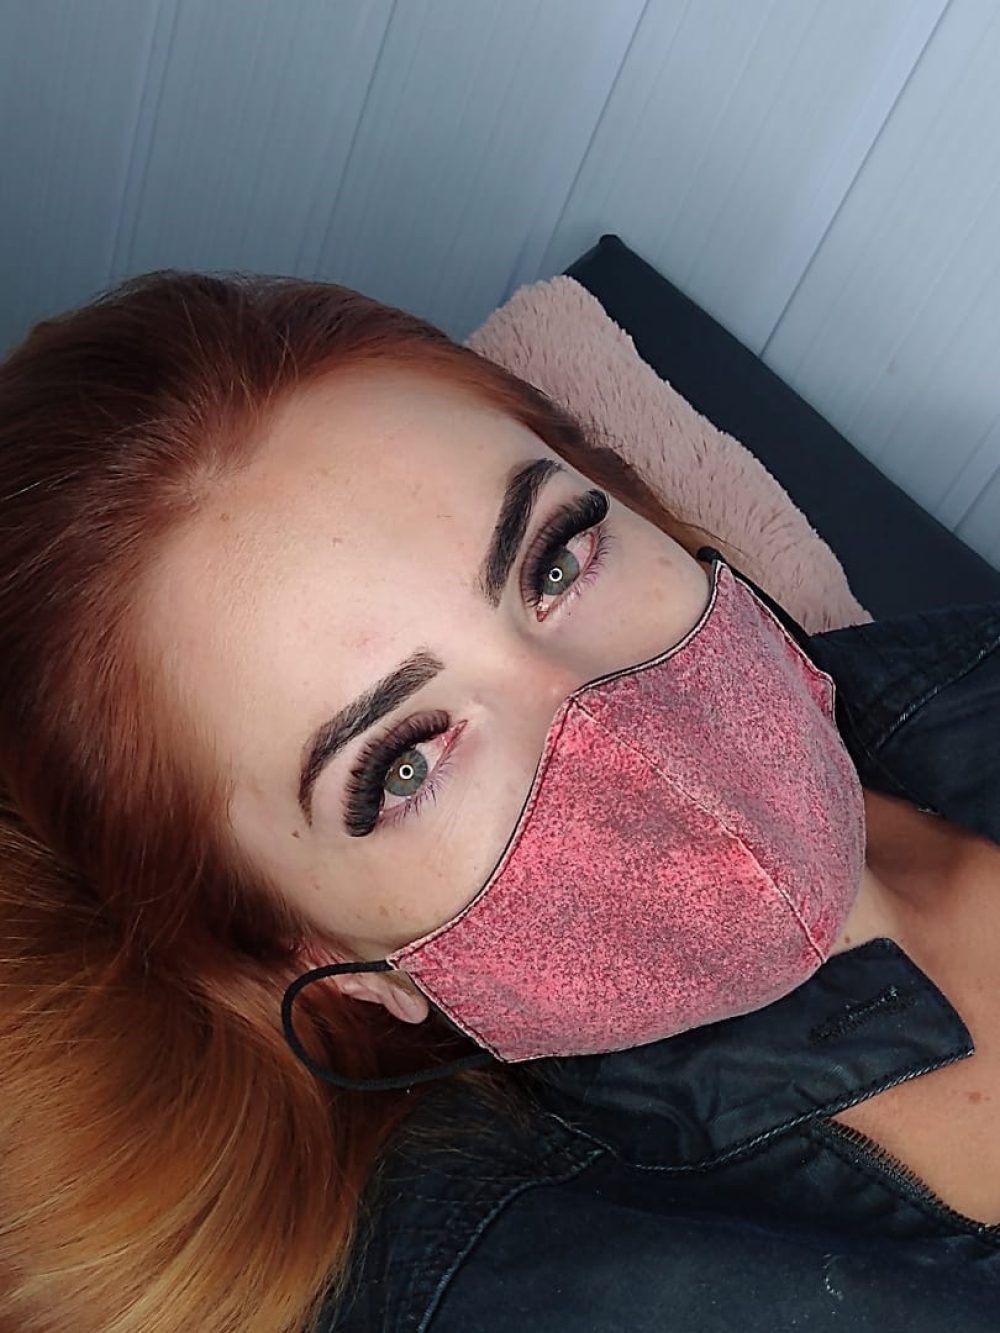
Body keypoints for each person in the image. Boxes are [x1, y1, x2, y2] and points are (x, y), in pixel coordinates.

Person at [0, 271, 997, 1333]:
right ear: (321, 957)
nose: (622, 733)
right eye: (402, 764)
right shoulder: (527, 1289)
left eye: (554, 558)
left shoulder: (951, 679)